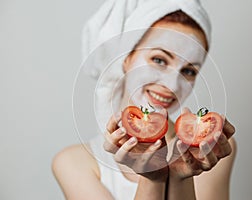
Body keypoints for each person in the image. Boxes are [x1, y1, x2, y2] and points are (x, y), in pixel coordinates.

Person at [52, 0, 236, 199]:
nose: (173, 86)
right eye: (159, 60)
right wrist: (152, 178)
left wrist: (179, 177)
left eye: (189, 71)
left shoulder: (210, 149)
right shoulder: (73, 162)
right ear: (126, 58)